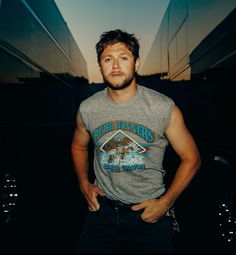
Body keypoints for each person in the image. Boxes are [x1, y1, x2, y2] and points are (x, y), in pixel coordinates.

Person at [71, 29, 201, 254]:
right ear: (100, 66)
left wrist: (166, 203)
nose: (115, 66)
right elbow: (78, 146)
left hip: (148, 218)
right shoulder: (88, 108)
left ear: (136, 63)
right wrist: (84, 183)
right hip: (101, 216)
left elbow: (192, 159)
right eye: (107, 59)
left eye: (123, 58)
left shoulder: (163, 108)